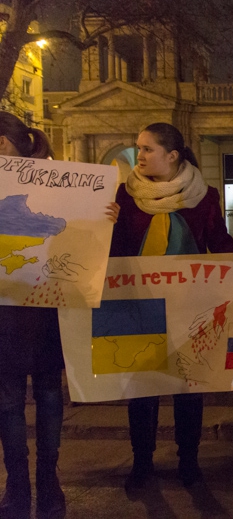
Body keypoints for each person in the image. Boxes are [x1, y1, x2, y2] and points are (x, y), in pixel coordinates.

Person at [110, 123, 233, 490]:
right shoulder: (124, 197)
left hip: (189, 305)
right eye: (138, 148)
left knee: (188, 386)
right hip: (138, 305)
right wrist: (101, 227)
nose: (139, 156)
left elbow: (219, 242)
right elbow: (114, 251)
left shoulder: (204, 196)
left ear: (172, 156)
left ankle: (189, 459)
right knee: (142, 389)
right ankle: (142, 462)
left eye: (147, 149)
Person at [0, 113, 105, 519]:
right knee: (8, 402)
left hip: (46, 313)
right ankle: (18, 482)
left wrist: (102, 218)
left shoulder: (57, 183)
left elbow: (79, 235)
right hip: (6, 317)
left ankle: (48, 479)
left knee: (46, 396)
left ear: (10, 144)